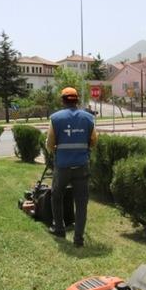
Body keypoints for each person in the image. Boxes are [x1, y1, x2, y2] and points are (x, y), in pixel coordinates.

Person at [46, 87, 98, 247]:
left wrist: (56, 151)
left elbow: (50, 143)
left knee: (56, 196)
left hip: (62, 166)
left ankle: (59, 229)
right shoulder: (88, 118)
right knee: (81, 202)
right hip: (81, 165)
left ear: (63, 100)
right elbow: (94, 141)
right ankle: (78, 239)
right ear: (77, 100)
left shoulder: (55, 118)